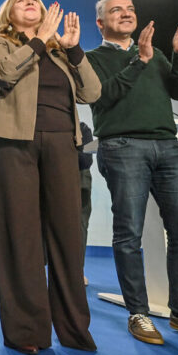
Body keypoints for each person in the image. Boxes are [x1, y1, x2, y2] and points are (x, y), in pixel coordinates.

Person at [86, 0, 178, 347]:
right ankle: (138, 313)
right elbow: (103, 96)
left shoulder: (156, 53)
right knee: (128, 234)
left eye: (131, 9)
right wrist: (140, 61)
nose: (126, 13)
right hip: (122, 148)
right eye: (117, 10)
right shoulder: (91, 59)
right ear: (100, 23)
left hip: (168, 146)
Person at [0, 0, 101, 355]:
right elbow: (1, 73)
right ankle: (26, 331)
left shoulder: (60, 52)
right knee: (21, 236)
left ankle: (74, 330)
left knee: (67, 235)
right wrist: (37, 41)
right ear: (9, 14)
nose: (30, 1)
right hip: (14, 142)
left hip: (63, 143)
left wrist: (74, 49)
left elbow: (92, 92)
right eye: (21, 0)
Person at [78, 121, 94, 286]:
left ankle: (77, 271)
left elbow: (85, 161)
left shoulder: (82, 129)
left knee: (80, 225)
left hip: (79, 176)